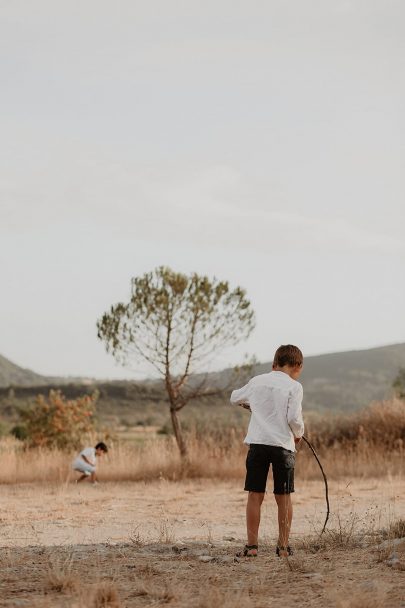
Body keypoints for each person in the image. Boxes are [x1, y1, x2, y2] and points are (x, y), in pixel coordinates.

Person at [230, 344, 304, 558]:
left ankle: (252, 547)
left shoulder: (257, 381)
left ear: (274, 364)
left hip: (258, 444)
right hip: (283, 447)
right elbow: (293, 419)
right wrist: (298, 433)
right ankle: (282, 548)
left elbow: (235, 397)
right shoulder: (294, 386)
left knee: (255, 495)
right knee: (284, 497)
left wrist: (252, 403)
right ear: (297, 366)